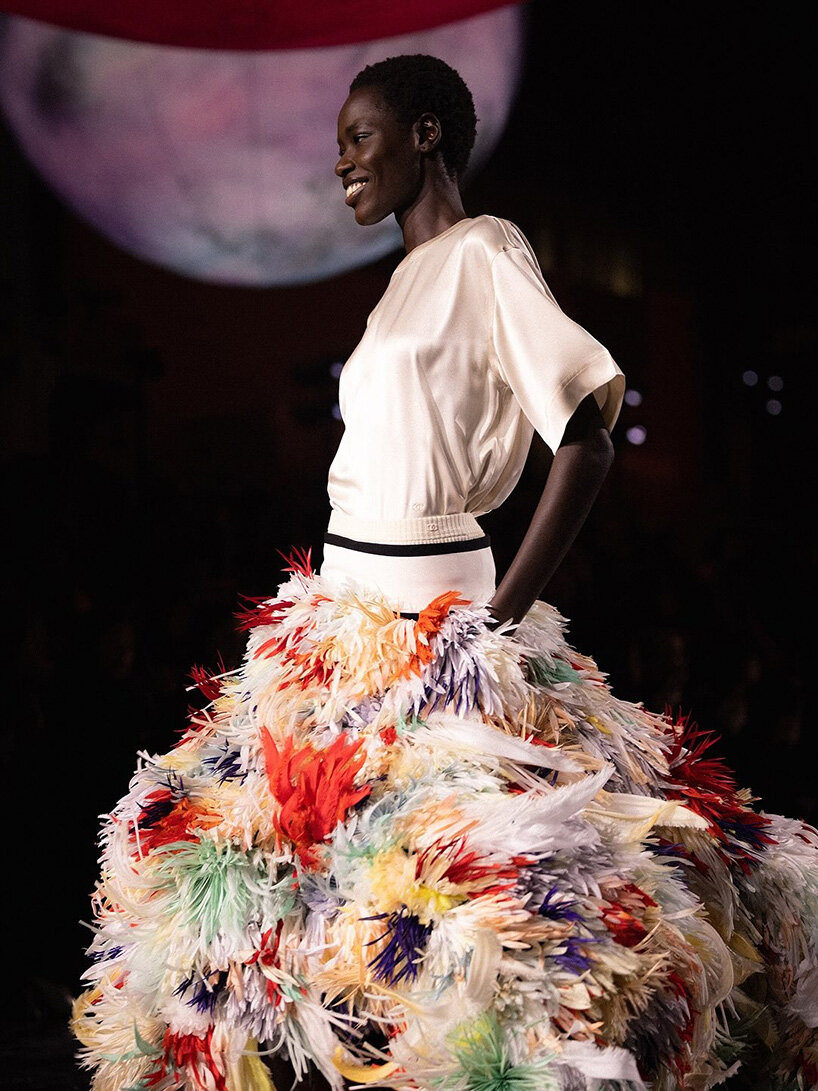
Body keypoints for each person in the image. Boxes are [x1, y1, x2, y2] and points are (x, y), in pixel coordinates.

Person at [73, 55, 818, 1091]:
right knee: (263, 893)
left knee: (473, 913)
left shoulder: (484, 250)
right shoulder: (402, 281)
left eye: (359, 135)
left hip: (435, 624)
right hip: (336, 627)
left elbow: (587, 440)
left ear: (425, 134)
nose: (341, 159)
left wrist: (497, 621)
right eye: (338, 141)